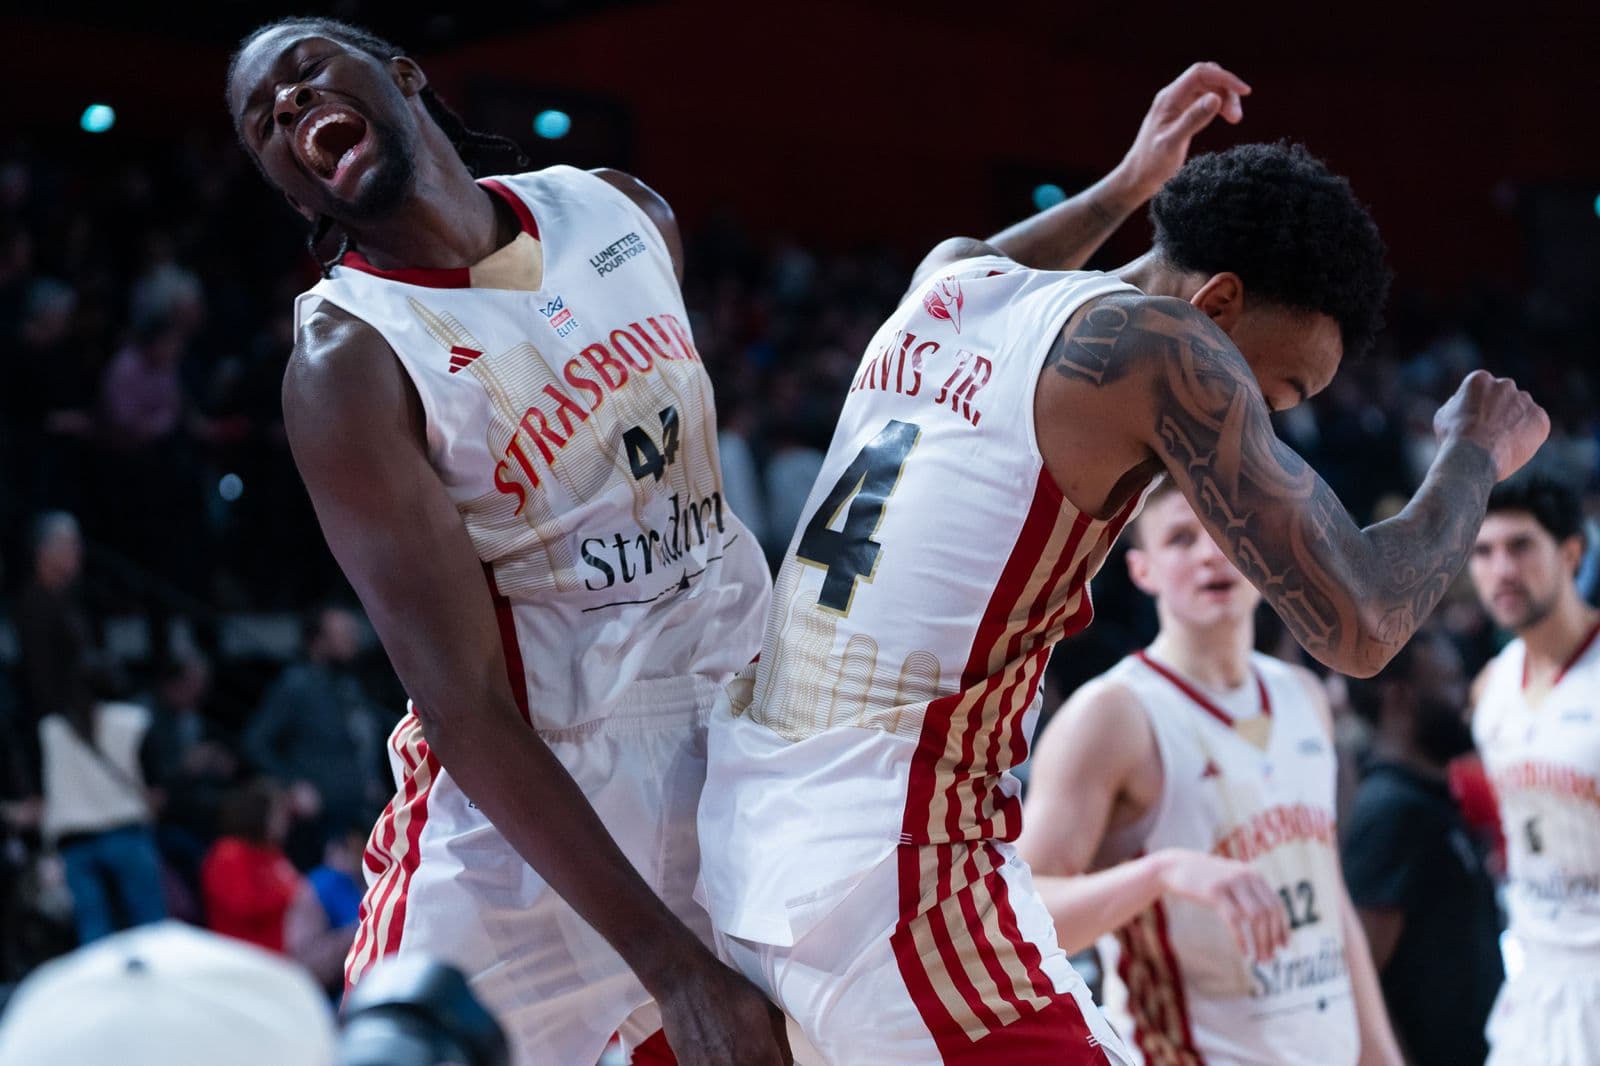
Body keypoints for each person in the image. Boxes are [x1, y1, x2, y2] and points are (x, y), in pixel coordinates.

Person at [697, 62, 1547, 1064]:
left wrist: (1128, 185)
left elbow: (998, 262)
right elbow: (1361, 623)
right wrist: (1473, 452)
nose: (1269, 419)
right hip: (894, 870)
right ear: (1216, 305)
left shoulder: (951, 284)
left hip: (750, 826)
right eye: (1277, 389)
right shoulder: (1164, 344)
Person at [226, 17, 778, 1066]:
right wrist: (668, 964)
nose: (289, 105)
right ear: (301, 196)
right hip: (528, 857)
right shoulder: (350, 360)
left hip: (730, 760)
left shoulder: (622, 210)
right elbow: (461, 698)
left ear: (403, 74)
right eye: (266, 121)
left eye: (304, 75)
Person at [1017, 482, 1400, 1064]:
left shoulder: (1304, 694)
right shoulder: (1113, 715)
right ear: (1143, 571)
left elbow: (1331, 902)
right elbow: (1018, 918)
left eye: (1224, 531)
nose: (1208, 553)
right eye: (1180, 538)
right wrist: (1160, 874)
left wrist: (1380, 1055)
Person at [1467, 474, 1600, 1066]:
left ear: (1571, 553)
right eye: (1482, 551)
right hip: (1536, 981)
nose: (1501, 568)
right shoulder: (1492, 684)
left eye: (1520, 546)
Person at [1341, 627, 1504, 1066]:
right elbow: (1363, 979)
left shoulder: (1431, 797)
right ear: (1400, 698)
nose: (1465, 697)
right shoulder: (1391, 812)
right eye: (1449, 682)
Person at [241, 605, 387, 867]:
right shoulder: (296, 685)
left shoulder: (349, 685)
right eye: (343, 634)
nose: (352, 640)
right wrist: (292, 784)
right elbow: (256, 742)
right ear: (318, 641)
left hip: (360, 812)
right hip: (319, 820)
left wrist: (369, 778)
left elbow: (360, 742)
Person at [37, 651, 167, 945]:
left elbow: (44, 789)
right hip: (126, 832)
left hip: (75, 840)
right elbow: (155, 787)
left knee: (93, 933)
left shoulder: (50, 730)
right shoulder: (134, 721)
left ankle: (101, 991)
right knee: (151, 928)